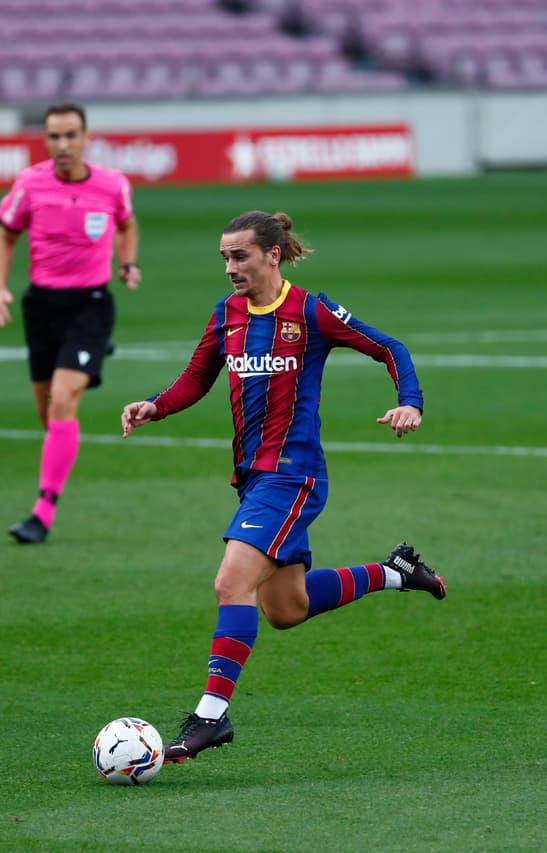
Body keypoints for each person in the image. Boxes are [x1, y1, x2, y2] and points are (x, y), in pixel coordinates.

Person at [120, 210, 447, 764]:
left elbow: (390, 348)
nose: (229, 267)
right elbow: (199, 376)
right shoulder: (227, 314)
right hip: (253, 479)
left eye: (239, 256)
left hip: (293, 475)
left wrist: (410, 402)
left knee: (231, 582)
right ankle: (395, 572)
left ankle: (210, 717)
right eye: (224, 256)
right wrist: (157, 405)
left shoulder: (311, 311)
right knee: (285, 608)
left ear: (273, 255)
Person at [0, 103, 141, 544]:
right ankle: (92, 356)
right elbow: (5, 236)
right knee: (47, 412)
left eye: (70, 135)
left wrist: (127, 263)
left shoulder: (113, 186)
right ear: (45, 140)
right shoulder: (30, 184)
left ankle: (42, 511)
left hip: (91, 304)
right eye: (53, 137)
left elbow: (128, 225)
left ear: (86, 136)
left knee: (62, 400)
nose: (62, 145)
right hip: (42, 307)